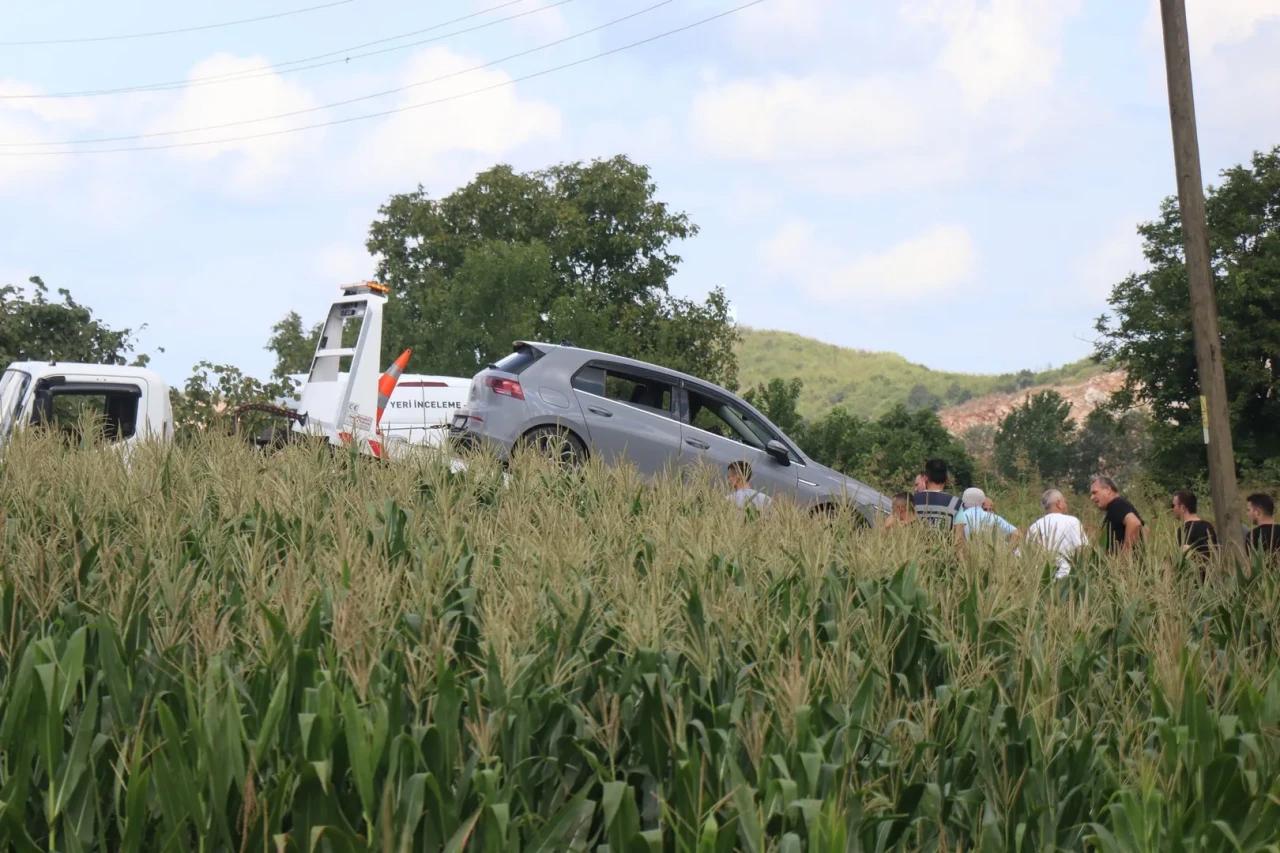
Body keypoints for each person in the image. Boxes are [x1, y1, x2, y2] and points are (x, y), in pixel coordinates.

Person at [1020, 489, 1089, 578]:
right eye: (1065, 502)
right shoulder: (1072, 521)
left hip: (1041, 580)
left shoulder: (1034, 527)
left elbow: (1026, 556)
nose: (1066, 505)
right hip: (1067, 580)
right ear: (1059, 503)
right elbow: (1082, 549)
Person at [1089, 476, 1146, 553]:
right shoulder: (1120, 505)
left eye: (1095, 492)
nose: (1092, 497)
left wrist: (1125, 554)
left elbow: (1134, 523)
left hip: (1123, 563)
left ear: (1108, 490)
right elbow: (1145, 530)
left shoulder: (1116, 503)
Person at [953, 487, 1019, 549]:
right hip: (991, 557)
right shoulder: (993, 517)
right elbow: (1017, 534)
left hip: (967, 557)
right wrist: (1007, 553)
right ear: (983, 503)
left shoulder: (959, 518)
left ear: (963, 503)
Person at [912, 458, 962, 530]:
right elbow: (959, 538)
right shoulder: (956, 504)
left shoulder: (909, 500)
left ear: (926, 478)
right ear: (947, 479)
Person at [1172, 489, 1217, 559]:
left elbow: (1185, 559)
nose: (1173, 509)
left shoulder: (1183, 531)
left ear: (1183, 508)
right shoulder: (1208, 526)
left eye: (1173, 505)